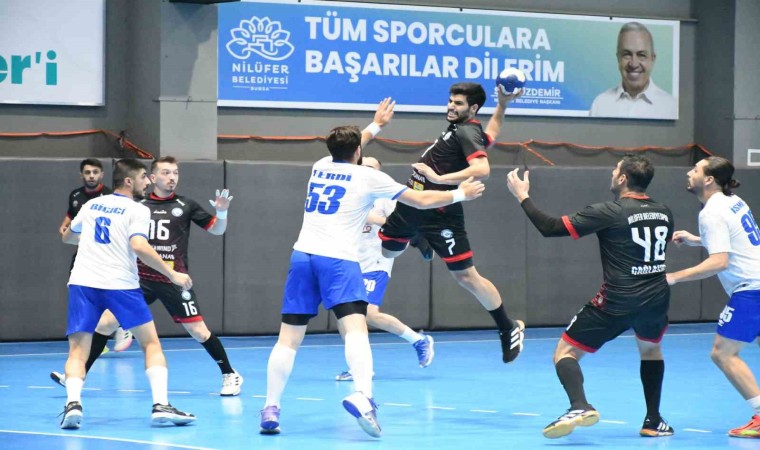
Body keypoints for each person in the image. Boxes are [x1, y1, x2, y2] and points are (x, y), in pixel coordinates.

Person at [259, 98, 485, 438]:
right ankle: (364, 396)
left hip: (302, 256)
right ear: (358, 153)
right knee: (356, 330)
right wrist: (460, 194)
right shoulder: (367, 177)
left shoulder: (320, 165)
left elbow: (352, 145)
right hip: (338, 260)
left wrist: (376, 125)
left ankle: (270, 408)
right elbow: (422, 199)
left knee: (288, 339)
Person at [506, 154, 675, 439]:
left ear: (623, 178)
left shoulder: (609, 211)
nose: (612, 173)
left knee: (564, 353)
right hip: (656, 298)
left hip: (618, 299)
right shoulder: (664, 212)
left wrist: (523, 197)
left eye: (615, 170)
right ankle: (653, 420)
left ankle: (579, 405)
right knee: (650, 351)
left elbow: (550, 228)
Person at [52, 156, 243, 396]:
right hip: (140, 279)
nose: (171, 178)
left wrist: (222, 213)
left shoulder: (186, 205)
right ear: (152, 178)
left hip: (172, 278)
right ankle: (77, 375)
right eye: (165, 173)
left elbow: (217, 230)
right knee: (104, 324)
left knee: (198, 331)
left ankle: (229, 374)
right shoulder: (137, 205)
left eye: (175, 173)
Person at [378, 82, 525, 364]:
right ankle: (418, 238)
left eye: (458, 103)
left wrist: (439, 178)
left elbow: (482, 168)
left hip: (441, 210)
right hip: (412, 203)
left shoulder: (467, 130)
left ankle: (507, 327)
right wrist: (502, 105)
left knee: (465, 276)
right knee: (388, 251)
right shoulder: (463, 129)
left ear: (473, 108)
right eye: (450, 101)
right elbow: (492, 134)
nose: (451, 106)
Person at [59, 158, 195, 429]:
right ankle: (160, 405)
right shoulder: (137, 209)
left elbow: (67, 236)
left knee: (77, 351)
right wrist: (172, 274)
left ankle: (73, 404)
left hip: (83, 283)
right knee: (151, 344)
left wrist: (90, 240)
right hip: (120, 284)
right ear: (130, 181)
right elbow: (139, 246)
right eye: (144, 177)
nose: (147, 182)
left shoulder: (91, 205)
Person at [667, 156, 760, 439]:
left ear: (708, 179)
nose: (689, 172)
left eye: (695, 169)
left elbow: (719, 262)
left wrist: (673, 277)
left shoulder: (711, 212)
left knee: (723, 353)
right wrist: (696, 239)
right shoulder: (733, 200)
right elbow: (733, 238)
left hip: (751, 289)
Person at [335, 156, 434, 382]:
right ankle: (357, 366)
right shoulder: (348, 195)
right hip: (349, 261)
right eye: (363, 166)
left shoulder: (386, 198)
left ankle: (418, 341)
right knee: (345, 317)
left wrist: (415, 237)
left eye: (372, 168)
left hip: (375, 262)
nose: (366, 170)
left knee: (369, 313)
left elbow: (400, 224)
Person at [59, 158, 133, 355]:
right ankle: (91, 340)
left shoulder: (109, 197)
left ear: (102, 174)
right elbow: (71, 216)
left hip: (107, 256)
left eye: (95, 172)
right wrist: (65, 225)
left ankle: (122, 325)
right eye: (87, 172)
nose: (91, 176)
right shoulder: (76, 195)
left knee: (109, 294)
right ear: (81, 175)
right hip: (84, 255)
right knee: (82, 295)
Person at [589, 22, 677, 119]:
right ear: (618, 58)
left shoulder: (671, 108)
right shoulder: (600, 105)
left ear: (652, 59)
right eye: (627, 54)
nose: (634, 64)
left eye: (641, 55)